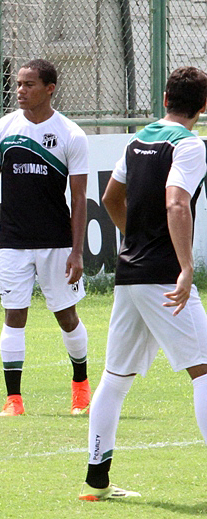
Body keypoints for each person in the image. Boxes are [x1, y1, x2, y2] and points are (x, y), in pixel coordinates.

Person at [79, 67, 207, 501]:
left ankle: (97, 480)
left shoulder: (137, 140)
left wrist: (135, 239)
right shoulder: (190, 145)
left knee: (114, 379)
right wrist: (185, 267)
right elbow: (176, 200)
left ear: (166, 96)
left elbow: (111, 199)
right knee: (204, 370)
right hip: (163, 277)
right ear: (204, 106)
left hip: (130, 274)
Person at [0, 59, 91, 416]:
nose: (20, 91)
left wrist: (77, 251)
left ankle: (81, 389)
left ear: (50, 89)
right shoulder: (0, 131)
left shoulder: (71, 135)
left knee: (66, 316)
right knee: (14, 315)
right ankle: (14, 401)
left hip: (56, 242)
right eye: (18, 84)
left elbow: (79, 198)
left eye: (29, 84)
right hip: (11, 241)